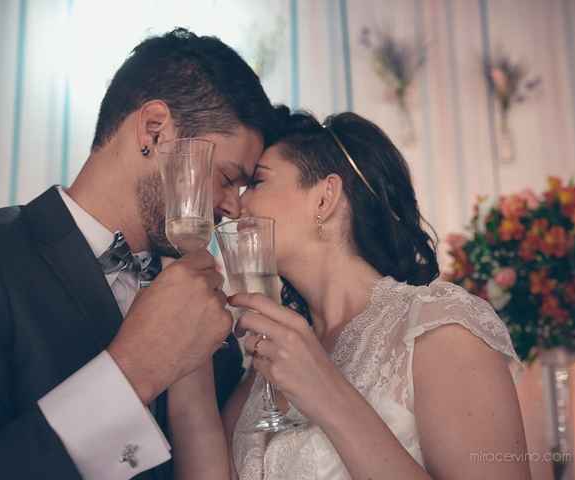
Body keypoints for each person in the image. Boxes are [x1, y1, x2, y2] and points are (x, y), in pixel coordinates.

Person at [0, 28, 280, 480]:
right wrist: (132, 372)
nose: (233, 208)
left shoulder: (208, 323)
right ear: (155, 129)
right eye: (226, 177)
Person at [172, 110, 531, 479]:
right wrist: (188, 357)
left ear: (325, 198)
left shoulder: (440, 328)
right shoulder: (267, 363)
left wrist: (326, 392)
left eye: (258, 183)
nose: (234, 206)